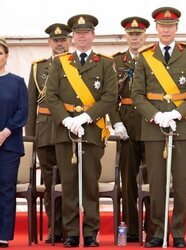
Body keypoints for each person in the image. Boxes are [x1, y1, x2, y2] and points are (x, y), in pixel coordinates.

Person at [131, 7, 186, 248]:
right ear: (156, 28)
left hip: (181, 127)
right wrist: (156, 116)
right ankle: (158, 232)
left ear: (177, 28)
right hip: (154, 129)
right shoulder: (145, 56)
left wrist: (176, 113)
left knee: (181, 184)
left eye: (170, 26)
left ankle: (179, 233)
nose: (166, 30)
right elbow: (137, 94)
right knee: (158, 183)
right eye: (162, 26)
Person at [46, 14, 117, 247]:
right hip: (65, 132)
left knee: (89, 184)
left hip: (92, 131)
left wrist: (87, 116)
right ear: (72, 37)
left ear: (93, 36)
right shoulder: (60, 62)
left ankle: (90, 233)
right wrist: (66, 120)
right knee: (68, 185)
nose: (82, 36)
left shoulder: (105, 63)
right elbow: (51, 95)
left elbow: (109, 97)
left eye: (86, 33)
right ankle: (71, 233)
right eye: (78, 33)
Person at [25, 23, 72, 243]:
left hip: (70, 129)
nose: (59, 44)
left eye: (63, 40)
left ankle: (70, 228)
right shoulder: (38, 68)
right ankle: (55, 228)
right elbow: (31, 106)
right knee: (50, 183)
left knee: (69, 182)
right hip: (44, 132)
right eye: (56, 40)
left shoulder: (77, 65)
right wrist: (31, 137)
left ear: (69, 41)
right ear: (49, 43)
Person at [109, 16, 150, 243]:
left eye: (138, 35)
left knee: (153, 179)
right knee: (129, 182)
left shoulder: (153, 59)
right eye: (131, 35)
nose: (135, 38)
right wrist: (116, 122)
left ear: (145, 37)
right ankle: (132, 228)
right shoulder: (116, 61)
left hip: (151, 126)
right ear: (126, 37)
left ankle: (153, 227)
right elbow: (109, 97)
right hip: (127, 127)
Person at [0, 38, 28, 248]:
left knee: (6, 188)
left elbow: (22, 111)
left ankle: (3, 234)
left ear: (6, 56)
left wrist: (5, 132)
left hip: (9, 145)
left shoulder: (17, 81)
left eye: (0, 53)